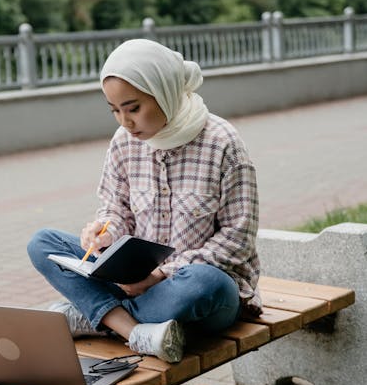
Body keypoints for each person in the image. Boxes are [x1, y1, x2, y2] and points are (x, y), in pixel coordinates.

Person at [27, 38, 261, 363]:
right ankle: (136, 331)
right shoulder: (124, 142)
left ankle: (98, 317)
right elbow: (115, 207)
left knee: (203, 284)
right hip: (133, 282)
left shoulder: (223, 144)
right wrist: (105, 232)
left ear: (165, 91)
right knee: (44, 243)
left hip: (196, 288)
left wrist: (161, 276)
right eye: (115, 110)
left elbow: (239, 239)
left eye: (133, 108)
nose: (125, 121)